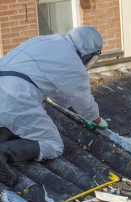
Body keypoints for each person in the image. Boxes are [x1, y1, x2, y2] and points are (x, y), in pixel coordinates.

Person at [0, 26, 108, 187]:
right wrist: (96, 120)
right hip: (16, 97)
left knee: (12, 125)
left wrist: (68, 107)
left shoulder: (45, 40)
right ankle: (3, 153)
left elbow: (59, 94)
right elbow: (82, 100)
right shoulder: (72, 63)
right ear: (88, 54)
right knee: (53, 145)